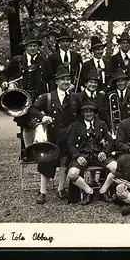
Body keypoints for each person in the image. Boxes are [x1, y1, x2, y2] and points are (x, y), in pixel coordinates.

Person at [27, 66, 78, 204]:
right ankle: (42, 192)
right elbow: (32, 109)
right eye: (63, 80)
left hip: (68, 136)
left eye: (68, 79)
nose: (66, 82)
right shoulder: (47, 97)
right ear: (56, 81)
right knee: (47, 162)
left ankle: (61, 189)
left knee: (64, 162)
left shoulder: (74, 97)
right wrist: (42, 117)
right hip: (52, 135)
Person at [0, 33, 50, 160]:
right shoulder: (17, 60)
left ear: (38, 47)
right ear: (26, 47)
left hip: (39, 97)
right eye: (30, 46)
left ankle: (38, 151)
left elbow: (50, 79)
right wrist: (4, 82)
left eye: (35, 46)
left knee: (39, 122)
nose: (33, 48)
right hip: (22, 98)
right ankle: (28, 152)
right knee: (26, 126)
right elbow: (4, 74)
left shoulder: (44, 61)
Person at [66, 101, 117, 205]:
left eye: (90, 111)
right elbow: (70, 144)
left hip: (99, 155)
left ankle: (103, 190)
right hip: (83, 155)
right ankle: (89, 191)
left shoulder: (101, 123)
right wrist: (77, 156)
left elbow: (110, 141)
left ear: (95, 113)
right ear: (82, 113)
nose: (88, 114)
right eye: (85, 112)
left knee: (117, 168)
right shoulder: (76, 125)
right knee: (72, 174)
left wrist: (104, 151)